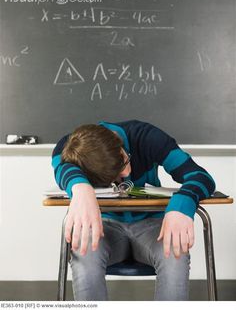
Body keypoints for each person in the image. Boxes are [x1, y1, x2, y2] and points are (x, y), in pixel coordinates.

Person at [52, 120, 215, 301]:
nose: (125, 173)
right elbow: (62, 167)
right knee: (83, 250)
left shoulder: (148, 138)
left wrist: (181, 204)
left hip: (152, 227)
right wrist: (81, 187)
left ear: (119, 142)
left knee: (175, 252)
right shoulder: (69, 148)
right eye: (113, 176)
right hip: (105, 227)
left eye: (124, 160)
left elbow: (201, 176)